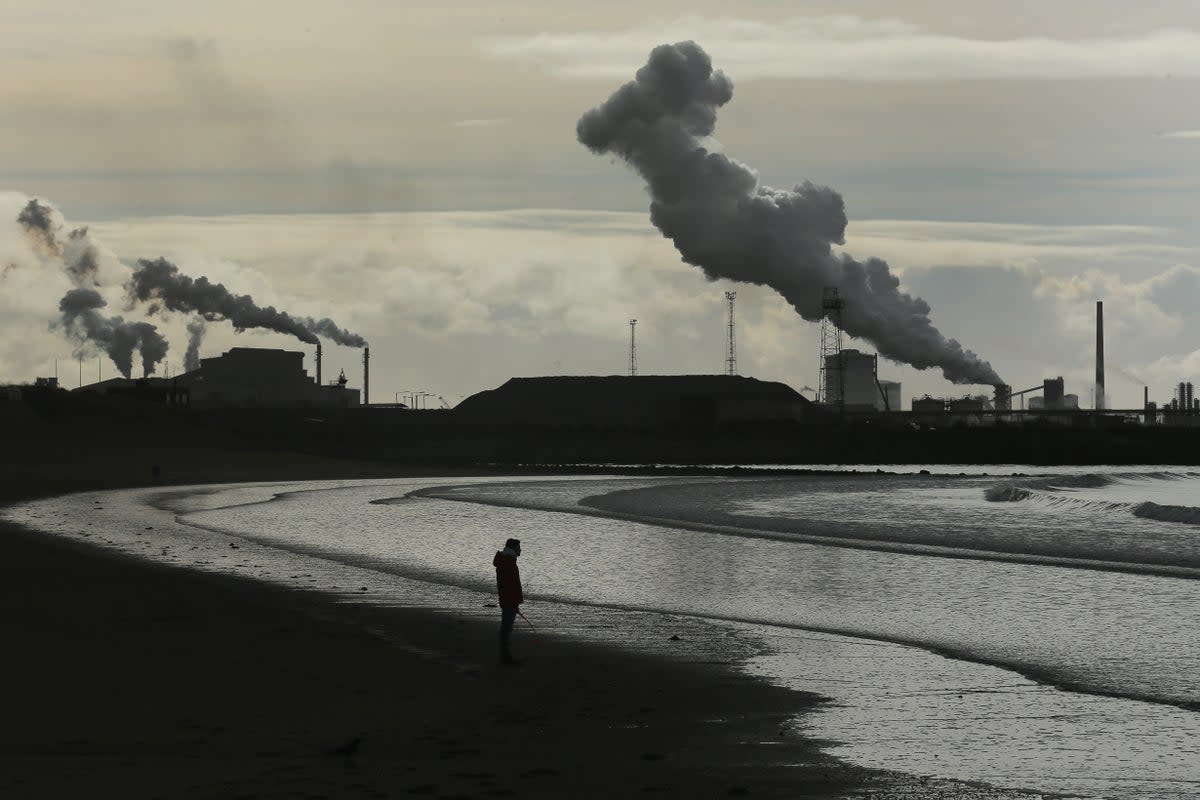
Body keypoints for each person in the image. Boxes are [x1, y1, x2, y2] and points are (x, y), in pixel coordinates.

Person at [492, 538, 524, 665]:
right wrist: (515, 603)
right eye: (519, 547)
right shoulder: (509, 562)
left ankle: (505, 657)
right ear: (513, 548)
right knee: (506, 629)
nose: (520, 550)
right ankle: (505, 658)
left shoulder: (506, 561)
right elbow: (511, 586)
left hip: (507, 600)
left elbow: (510, 585)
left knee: (506, 628)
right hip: (509, 601)